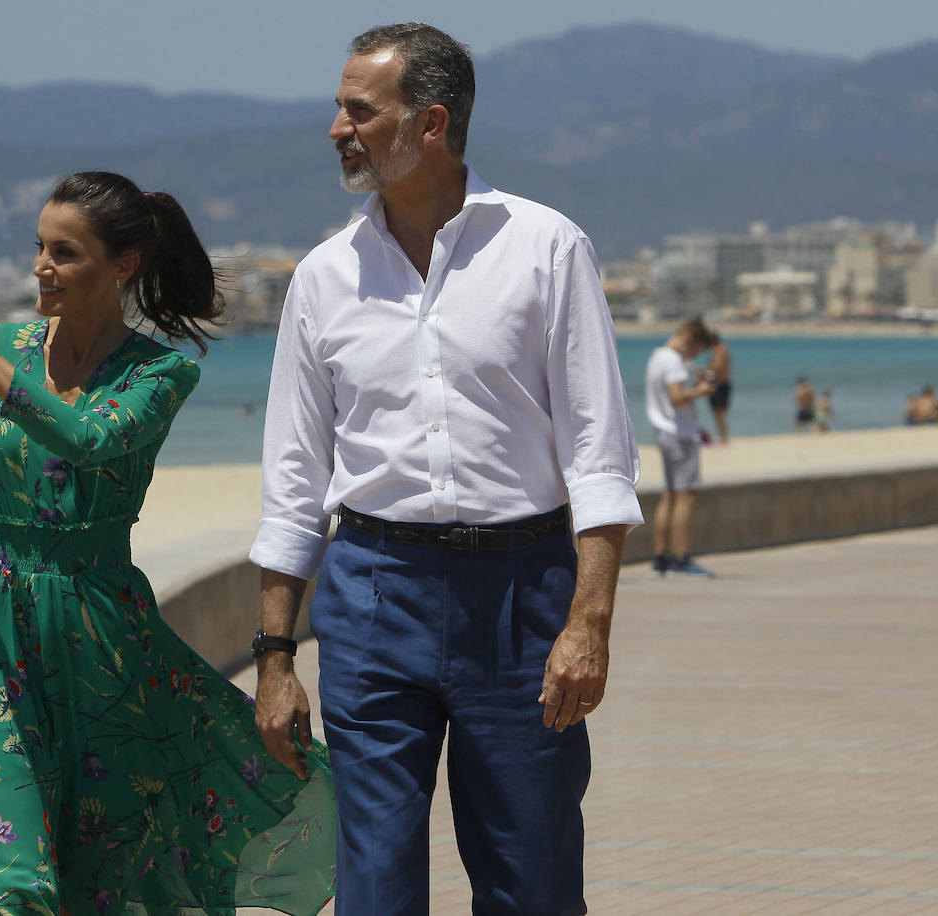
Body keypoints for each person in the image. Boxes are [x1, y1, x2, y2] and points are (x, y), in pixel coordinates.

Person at [0, 171, 336, 916]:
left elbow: (88, 440)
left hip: (104, 645)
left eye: (65, 253)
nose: (39, 268)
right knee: (16, 884)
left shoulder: (161, 372)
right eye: (39, 248)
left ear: (123, 266)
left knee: (106, 884)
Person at [249, 23, 642, 915]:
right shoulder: (321, 277)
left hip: (523, 595)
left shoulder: (546, 248)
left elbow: (599, 453)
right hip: (373, 591)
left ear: (430, 123)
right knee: (373, 883)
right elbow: (295, 482)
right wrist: (274, 658)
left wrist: (590, 620)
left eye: (358, 110)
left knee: (529, 874)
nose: (337, 128)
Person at [646, 319, 717, 577]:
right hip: (679, 436)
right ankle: (680, 556)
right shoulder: (673, 361)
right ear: (690, 341)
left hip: (665, 432)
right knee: (686, 496)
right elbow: (676, 398)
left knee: (670, 495)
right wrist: (701, 390)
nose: (695, 356)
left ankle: (660, 557)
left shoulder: (657, 357)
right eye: (697, 350)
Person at [706, 332, 733, 443]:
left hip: (719, 384)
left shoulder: (719, 350)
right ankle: (723, 436)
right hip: (721, 383)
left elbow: (716, 368)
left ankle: (723, 437)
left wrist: (705, 375)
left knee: (719, 411)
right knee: (719, 412)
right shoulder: (720, 350)